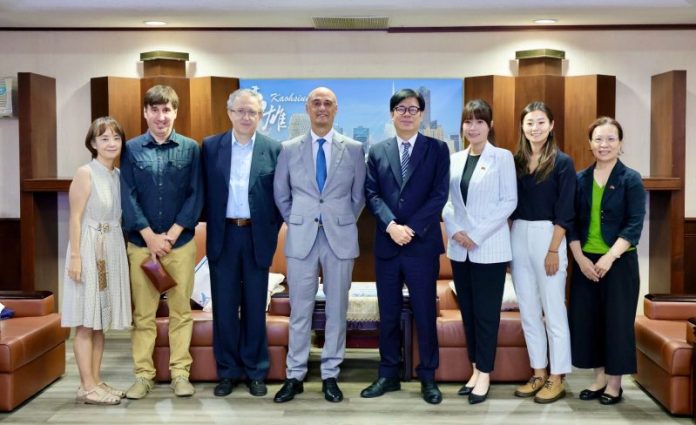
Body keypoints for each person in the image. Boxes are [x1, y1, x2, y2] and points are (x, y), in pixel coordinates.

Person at [273, 86, 366, 403]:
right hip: (301, 238)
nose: (322, 108)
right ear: (307, 108)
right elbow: (281, 194)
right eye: (316, 103)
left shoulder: (353, 149)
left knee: (337, 311)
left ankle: (330, 374)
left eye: (328, 103)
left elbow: (358, 196)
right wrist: (298, 220)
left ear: (336, 109)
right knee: (300, 311)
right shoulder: (289, 149)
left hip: (340, 238)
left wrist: (339, 219)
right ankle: (295, 375)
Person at [362, 88, 450, 405]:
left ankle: (427, 376)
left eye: (413, 109)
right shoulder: (377, 150)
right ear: (392, 114)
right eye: (401, 108)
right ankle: (388, 374)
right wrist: (391, 226)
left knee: (424, 312)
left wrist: (410, 229)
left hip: (421, 245)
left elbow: (439, 195)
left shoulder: (437, 149)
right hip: (387, 245)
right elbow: (371, 193)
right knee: (387, 314)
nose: (407, 114)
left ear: (421, 114)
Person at [120, 85, 203, 399]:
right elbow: (127, 195)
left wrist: (171, 235)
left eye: (166, 109)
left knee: (181, 312)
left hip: (180, 244)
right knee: (143, 315)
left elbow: (196, 194)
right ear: (145, 112)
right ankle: (143, 376)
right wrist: (149, 236)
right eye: (154, 110)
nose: (160, 116)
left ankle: (181, 374)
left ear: (175, 112)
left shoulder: (191, 148)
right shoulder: (130, 149)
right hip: (141, 246)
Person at [201, 88, 282, 397]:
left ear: (260, 116)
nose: (246, 117)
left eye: (253, 112)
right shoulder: (211, 147)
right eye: (240, 111)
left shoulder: (273, 149)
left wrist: (271, 230)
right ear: (230, 113)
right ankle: (227, 371)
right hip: (223, 236)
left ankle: (256, 371)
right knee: (224, 308)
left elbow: (281, 197)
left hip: (256, 237)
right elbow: (203, 191)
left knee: (254, 307)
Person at [442, 99, 517, 404]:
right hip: (459, 249)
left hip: (489, 248)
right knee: (469, 313)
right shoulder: (454, 159)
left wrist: (475, 234)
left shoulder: (502, 157)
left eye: (479, 122)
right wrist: (455, 230)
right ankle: (474, 369)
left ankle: (485, 372)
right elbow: (446, 201)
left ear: (490, 126)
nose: (473, 127)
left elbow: (508, 201)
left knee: (486, 314)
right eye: (468, 122)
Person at [568, 117, 645, 405]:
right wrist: (580, 259)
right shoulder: (580, 179)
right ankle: (599, 379)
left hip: (619, 263)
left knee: (617, 323)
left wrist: (610, 257)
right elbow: (570, 223)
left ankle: (614, 385)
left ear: (620, 143)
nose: (604, 144)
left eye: (611, 139)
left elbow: (634, 224)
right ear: (590, 143)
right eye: (598, 139)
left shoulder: (631, 179)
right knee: (588, 322)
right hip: (585, 264)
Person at [62, 116, 132, 405]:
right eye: (104, 138)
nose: (111, 143)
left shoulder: (117, 175)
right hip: (89, 246)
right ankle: (87, 386)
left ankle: (94, 381)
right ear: (93, 143)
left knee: (100, 321)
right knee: (85, 321)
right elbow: (75, 218)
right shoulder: (85, 173)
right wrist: (76, 257)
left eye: (116, 138)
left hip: (111, 246)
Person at [510, 101, 575, 404]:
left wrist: (553, 250)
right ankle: (538, 372)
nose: (534, 128)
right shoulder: (515, 161)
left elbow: (566, 210)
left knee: (554, 310)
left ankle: (557, 376)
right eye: (529, 123)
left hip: (549, 235)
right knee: (528, 310)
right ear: (522, 127)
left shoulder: (562, 162)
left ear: (551, 126)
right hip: (518, 234)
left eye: (540, 122)